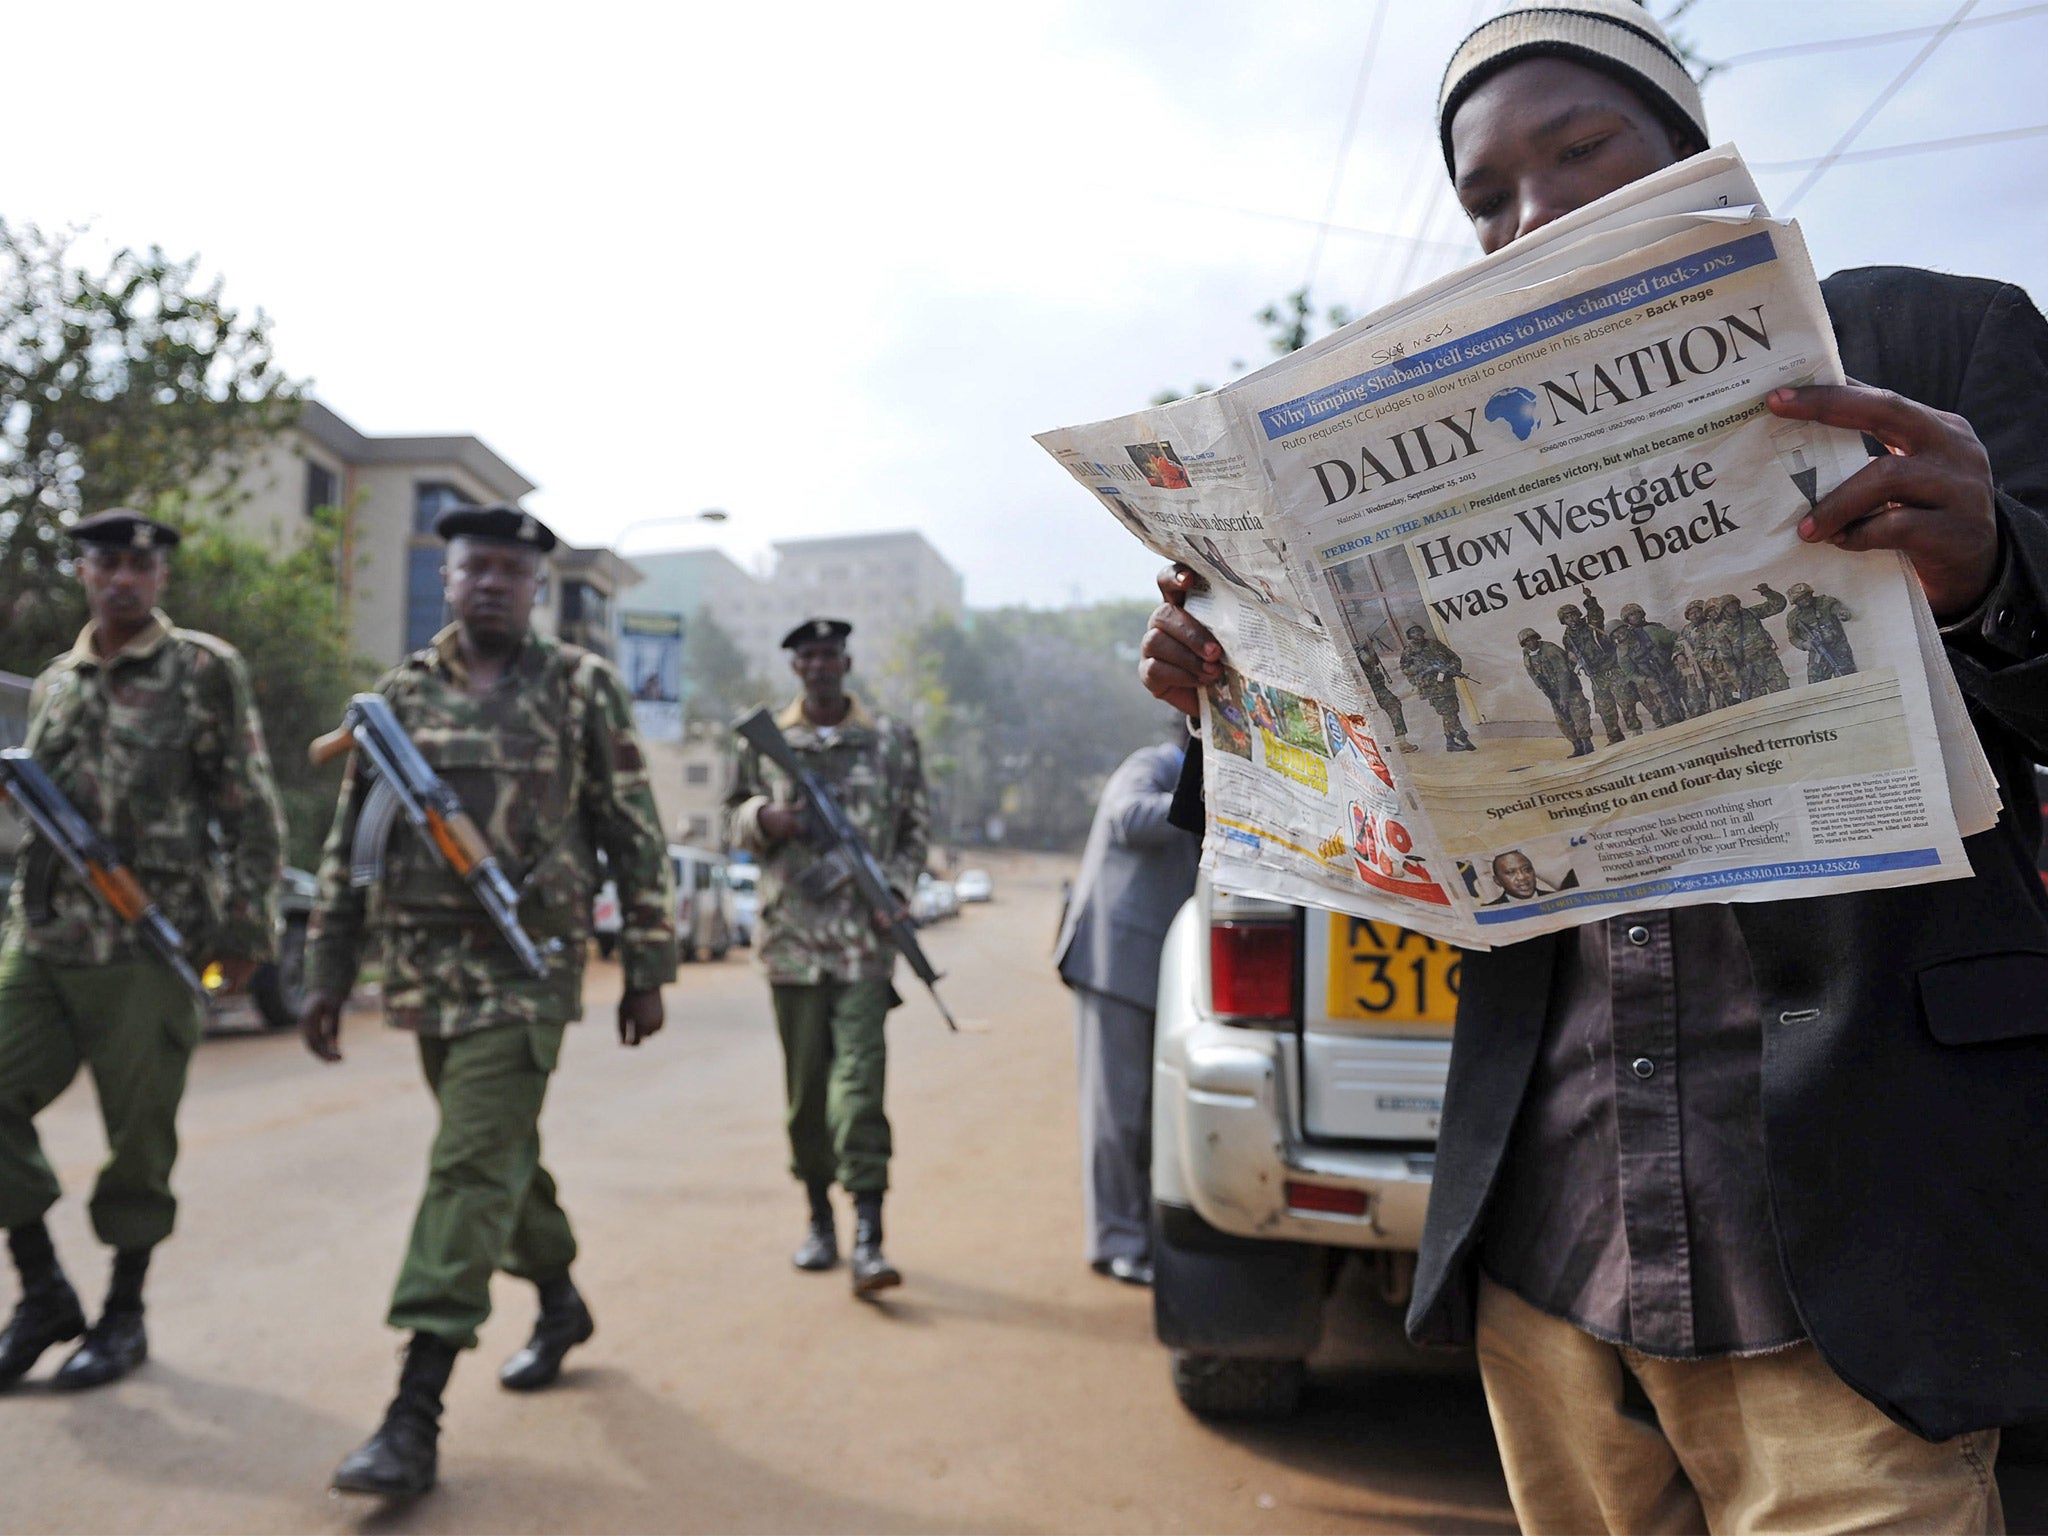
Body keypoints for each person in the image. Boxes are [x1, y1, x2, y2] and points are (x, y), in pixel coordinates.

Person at [1138, 3, 2048, 1527]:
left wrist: (2002, 568)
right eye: (1487, 197)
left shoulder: (1930, 343)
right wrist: (1231, 703)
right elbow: (1377, 825)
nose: (1532, 214)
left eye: (1580, 152)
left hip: (1851, 1249)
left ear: (1696, 164)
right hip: (1555, 1247)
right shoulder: (1428, 455)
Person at [300, 504, 675, 1499]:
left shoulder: (580, 687)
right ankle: (559, 1300)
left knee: (466, 1164)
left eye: (513, 571)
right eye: (475, 569)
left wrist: (646, 962)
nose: (492, 585)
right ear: (448, 579)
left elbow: (631, 827)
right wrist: (328, 967)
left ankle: (412, 1414)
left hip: (526, 970)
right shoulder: (399, 694)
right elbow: (353, 843)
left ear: (537, 588)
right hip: (424, 972)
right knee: (500, 1157)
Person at [0, 511, 284, 1392]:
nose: (121, 579)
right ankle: (44, 1290)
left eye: (138, 565)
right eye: (104, 564)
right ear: (83, 573)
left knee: (137, 1144)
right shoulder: (56, 683)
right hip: (44, 939)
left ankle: (124, 1314)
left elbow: (250, 808)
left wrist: (245, 934)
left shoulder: (203, 669)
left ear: (159, 577)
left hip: (147, 946)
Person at [725, 618, 928, 1298]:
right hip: (792, 945)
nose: (819, 666)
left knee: (860, 1090)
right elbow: (731, 815)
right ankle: (819, 1220)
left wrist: (893, 892)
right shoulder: (764, 744)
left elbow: (914, 831)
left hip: (865, 947)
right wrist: (764, 818)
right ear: (794, 668)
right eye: (807, 656)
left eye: (829, 654)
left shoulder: (893, 741)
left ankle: (870, 1235)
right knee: (805, 1096)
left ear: (846, 660)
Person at [1054, 723, 1199, 1287]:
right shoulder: (1154, 764)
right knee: (1116, 1117)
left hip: (1160, 972)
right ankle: (1117, 1242)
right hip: (1116, 965)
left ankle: (1140, 1236)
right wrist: (1202, 793)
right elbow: (1128, 817)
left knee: (1148, 1117)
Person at [1557, 594, 1637, 744]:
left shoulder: (1591, 624)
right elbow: (1571, 655)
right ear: (1563, 621)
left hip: (1612, 669)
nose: (1572, 619)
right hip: (1596, 676)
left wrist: (1590, 601)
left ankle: (1635, 729)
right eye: (1567, 617)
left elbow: (1596, 614)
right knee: (1604, 708)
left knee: (1625, 701)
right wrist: (1573, 660)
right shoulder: (1567, 638)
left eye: (1573, 615)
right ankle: (1615, 737)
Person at [1398, 624, 1476, 751]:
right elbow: (1405, 669)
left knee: (1452, 711)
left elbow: (1454, 658)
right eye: (1414, 633)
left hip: (1446, 685)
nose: (1418, 635)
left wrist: (1451, 669)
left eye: (1419, 631)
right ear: (1409, 636)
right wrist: (1423, 670)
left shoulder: (1435, 645)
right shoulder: (1409, 651)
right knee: (1448, 712)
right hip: (1430, 687)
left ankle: (1450, 742)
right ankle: (1462, 736)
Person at [1518, 626, 1594, 758]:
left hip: (1570, 689)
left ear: (1537, 638)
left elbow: (1563, 673)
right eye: (1527, 641)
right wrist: (1544, 690)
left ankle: (1587, 744)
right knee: (1562, 720)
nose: (1530, 643)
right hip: (1553, 693)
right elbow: (1532, 672)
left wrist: (1563, 697)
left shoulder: (1550, 650)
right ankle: (1577, 746)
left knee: (1579, 715)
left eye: (1532, 639)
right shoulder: (1527, 654)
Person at [1611, 601, 1687, 728]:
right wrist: (1645, 680)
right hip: (1655, 681)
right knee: (1670, 717)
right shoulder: (1622, 652)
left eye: (1621, 630)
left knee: (1694, 704)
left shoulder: (1651, 630)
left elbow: (1676, 638)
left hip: (1673, 671)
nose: (1620, 634)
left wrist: (1678, 655)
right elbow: (1630, 674)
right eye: (1616, 634)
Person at [1717, 585, 1791, 699]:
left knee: (1784, 695)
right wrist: (1738, 681)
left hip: (1769, 662)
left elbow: (1778, 605)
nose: (1733, 606)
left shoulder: (1751, 613)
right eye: (1729, 605)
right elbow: (1726, 658)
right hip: (1748, 671)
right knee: (1759, 703)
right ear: (1723, 609)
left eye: (1734, 603)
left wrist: (1768, 593)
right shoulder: (1722, 630)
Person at [1784, 581, 1859, 680]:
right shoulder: (1793, 617)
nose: (1805, 600)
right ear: (1796, 602)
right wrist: (1804, 644)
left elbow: (1838, 610)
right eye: (1801, 599)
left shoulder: (1825, 602)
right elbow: (1793, 637)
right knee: (1816, 680)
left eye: (1807, 596)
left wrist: (1842, 614)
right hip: (1817, 652)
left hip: (1838, 648)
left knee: (1848, 676)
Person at [1353, 641, 1419, 753]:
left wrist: (1369, 647)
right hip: (1363, 694)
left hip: (1379, 690)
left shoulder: (1367, 659)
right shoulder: (1352, 663)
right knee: (1368, 720)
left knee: (1394, 705)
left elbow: (1373, 661)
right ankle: (1375, 747)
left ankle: (1401, 742)